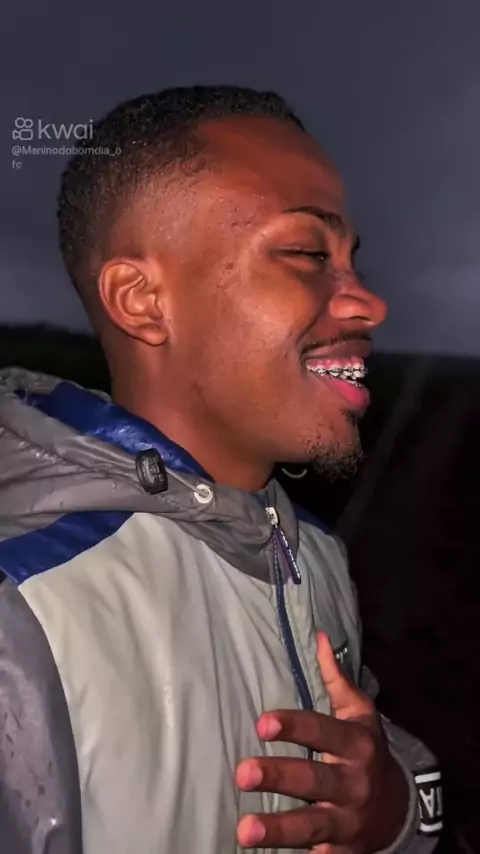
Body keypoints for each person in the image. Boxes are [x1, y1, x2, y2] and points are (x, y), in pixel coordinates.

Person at [0, 86, 442, 854]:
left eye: (351, 260)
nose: (369, 305)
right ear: (143, 301)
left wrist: (392, 812)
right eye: (308, 254)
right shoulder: (24, 601)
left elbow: (384, 762)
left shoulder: (313, 554)